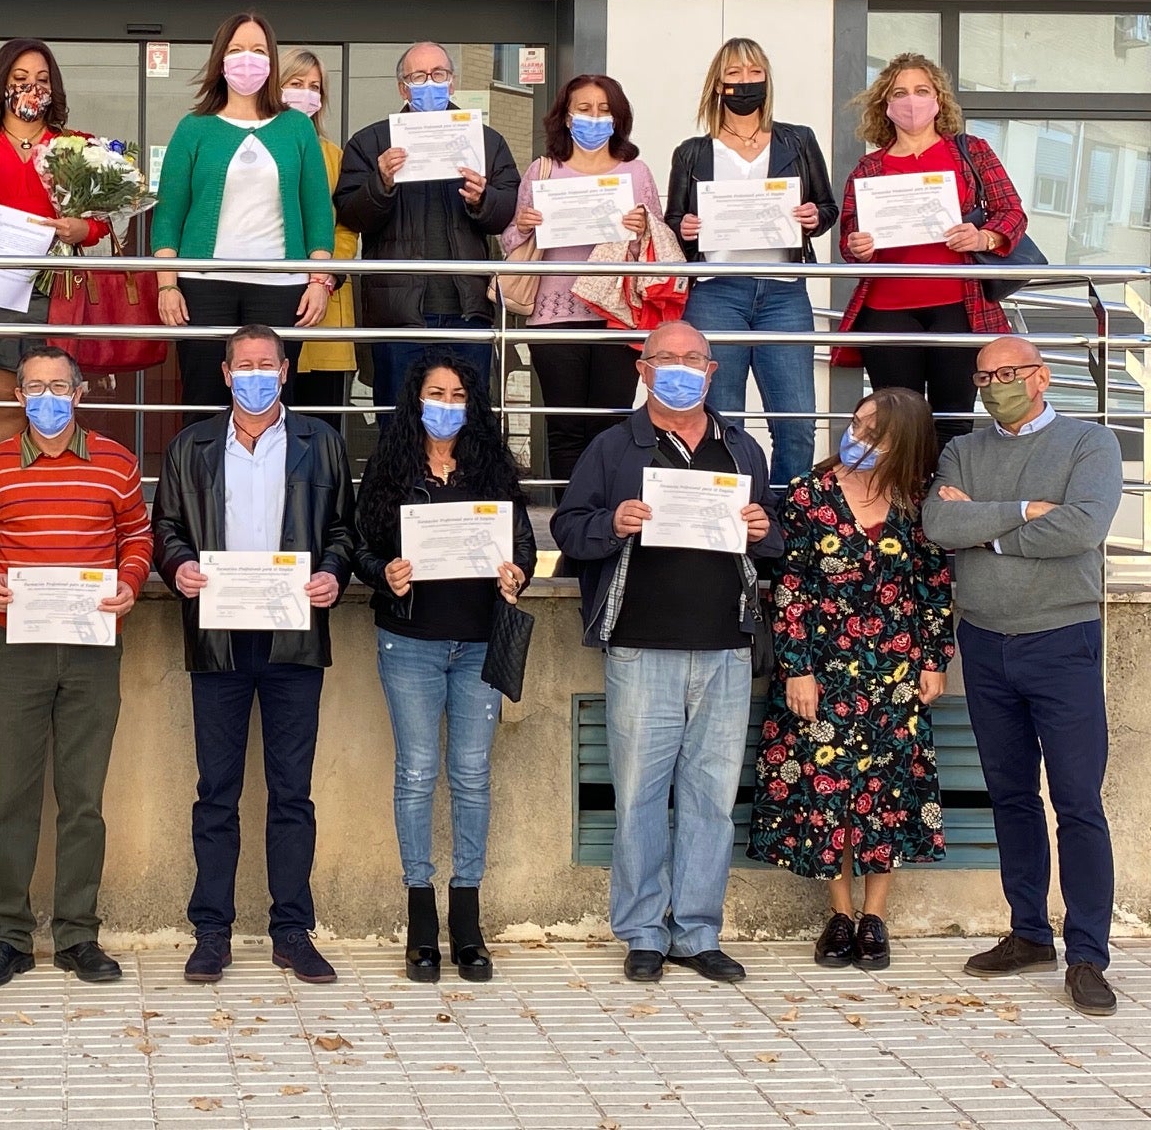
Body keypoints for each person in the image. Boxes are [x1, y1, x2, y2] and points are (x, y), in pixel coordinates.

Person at [551, 321, 781, 986]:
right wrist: (610, 523)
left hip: (725, 648)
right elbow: (568, 526)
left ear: (711, 372)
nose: (680, 368)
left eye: (693, 359)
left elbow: (772, 536)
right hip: (641, 647)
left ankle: (699, 932)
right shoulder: (613, 447)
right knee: (642, 799)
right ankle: (644, 931)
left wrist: (765, 532)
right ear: (643, 369)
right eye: (666, 358)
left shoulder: (742, 447)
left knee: (711, 799)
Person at [924, 337, 1123, 1018]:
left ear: (1041, 377)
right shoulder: (962, 451)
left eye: (1009, 373)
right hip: (983, 642)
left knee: (1076, 802)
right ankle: (1029, 933)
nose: (995, 384)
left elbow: (1082, 527)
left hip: (1062, 639)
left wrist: (988, 530)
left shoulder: (1089, 444)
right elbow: (938, 523)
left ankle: (1089, 954)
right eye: (984, 376)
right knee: (1010, 795)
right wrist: (1025, 511)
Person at [153, 325, 354, 985]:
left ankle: (292, 932)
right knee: (217, 792)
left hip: (295, 638)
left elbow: (344, 530)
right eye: (246, 365)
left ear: (287, 370)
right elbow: (168, 529)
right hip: (219, 638)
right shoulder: (193, 446)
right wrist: (178, 565)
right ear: (227, 372)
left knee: (291, 794)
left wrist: (332, 573)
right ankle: (212, 932)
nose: (257, 374)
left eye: (268, 364)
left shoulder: (320, 442)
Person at [0, 345, 153, 990]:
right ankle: (6, 936)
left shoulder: (117, 464)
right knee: (10, 796)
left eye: (58, 386)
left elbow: (138, 537)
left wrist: (129, 581)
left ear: (80, 391)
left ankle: (78, 935)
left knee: (83, 799)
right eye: (33, 386)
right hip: (16, 647)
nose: (46, 397)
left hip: (94, 647)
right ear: (17, 396)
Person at [747, 388, 952, 970]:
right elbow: (789, 589)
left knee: (887, 793)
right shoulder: (811, 495)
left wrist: (935, 659)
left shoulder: (917, 502)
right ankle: (839, 916)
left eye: (872, 432)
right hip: (824, 669)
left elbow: (933, 588)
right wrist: (798, 669)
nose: (857, 438)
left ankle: (875, 917)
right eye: (856, 425)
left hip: (894, 672)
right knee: (825, 791)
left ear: (902, 441)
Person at [350, 357, 534, 985]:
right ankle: (422, 925)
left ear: (472, 403)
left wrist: (518, 574)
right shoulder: (392, 463)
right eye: (436, 393)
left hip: (480, 642)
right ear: (416, 399)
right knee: (417, 773)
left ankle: (469, 923)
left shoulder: (491, 467)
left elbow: (525, 543)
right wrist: (384, 573)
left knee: (472, 774)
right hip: (411, 642)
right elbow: (361, 543)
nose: (447, 403)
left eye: (458, 394)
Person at [665, 38, 837, 490]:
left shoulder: (797, 140)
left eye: (754, 72)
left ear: (767, 78)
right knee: (721, 420)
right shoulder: (692, 152)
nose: (746, 82)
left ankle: (783, 526)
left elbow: (827, 208)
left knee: (796, 422)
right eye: (734, 74)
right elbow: (671, 223)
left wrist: (813, 217)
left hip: (784, 290)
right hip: (716, 290)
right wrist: (684, 228)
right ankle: (730, 525)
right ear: (717, 85)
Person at [837, 53, 1027, 447]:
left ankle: (946, 505)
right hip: (887, 310)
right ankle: (906, 508)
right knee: (896, 428)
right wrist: (859, 247)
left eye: (922, 91)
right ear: (886, 106)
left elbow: (1012, 212)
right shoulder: (868, 168)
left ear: (938, 100)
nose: (911, 101)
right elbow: (849, 239)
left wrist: (984, 237)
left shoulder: (971, 152)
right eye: (900, 93)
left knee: (954, 422)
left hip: (960, 306)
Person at [153, 14, 336, 422]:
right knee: (203, 403)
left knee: (271, 407)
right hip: (203, 288)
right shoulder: (193, 127)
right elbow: (168, 216)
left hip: (281, 288)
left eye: (257, 51)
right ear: (220, 60)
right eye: (236, 50)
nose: (247, 60)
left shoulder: (296, 128)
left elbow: (319, 215)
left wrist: (319, 282)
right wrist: (167, 286)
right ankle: (202, 486)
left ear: (271, 61)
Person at [0, 39, 108, 452]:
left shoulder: (75, 145)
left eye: (42, 79)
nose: (32, 86)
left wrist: (79, 229)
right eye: (21, 78)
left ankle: (48, 500)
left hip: (57, 291)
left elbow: (101, 220)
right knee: (1, 406)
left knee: (55, 403)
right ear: (1, 84)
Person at [334, 41, 520, 411]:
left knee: (469, 421)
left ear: (452, 83)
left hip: (467, 310)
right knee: (399, 419)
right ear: (403, 88)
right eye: (418, 76)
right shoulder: (371, 142)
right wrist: (380, 181)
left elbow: (506, 211)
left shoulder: (484, 140)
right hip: (398, 313)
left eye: (439, 75)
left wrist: (483, 199)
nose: (429, 83)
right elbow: (351, 215)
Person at [499, 76, 664, 485]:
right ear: (566, 117)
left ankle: (608, 519)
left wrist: (642, 227)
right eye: (584, 108)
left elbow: (660, 240)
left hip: (618, 314)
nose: (594, 117)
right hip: (555, 316)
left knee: (612, 426)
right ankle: (571, 522)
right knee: (565, 427)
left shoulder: (636, 171)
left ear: (618, 117)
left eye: (604, 109)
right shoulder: (543, 170)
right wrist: (522, 225)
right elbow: (509, 242)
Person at [277, 49, 357, 434]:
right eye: (295, 84)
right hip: (271, 298)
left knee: (321, 431)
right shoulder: (257, 148)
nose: (305, 94)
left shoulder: (334, 155)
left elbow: (346, 230)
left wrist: (323, 277)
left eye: (314, 87)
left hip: (324, 307)